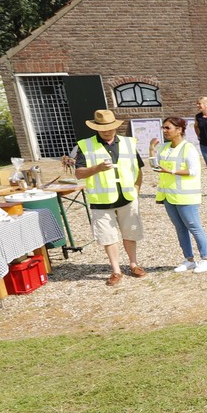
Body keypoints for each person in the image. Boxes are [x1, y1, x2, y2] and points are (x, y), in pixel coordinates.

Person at [66, 109, 146, 286]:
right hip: (101, 201)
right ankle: (116, 270)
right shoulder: (85, 145)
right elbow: (79, 173)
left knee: (130, 232)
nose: (106, 131)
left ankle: (134, 264)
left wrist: (136, 190)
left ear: (115, 126)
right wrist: (97, 168)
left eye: (109, 127)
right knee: (108, 236)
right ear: (96, 128)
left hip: (127, 197)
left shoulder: (128, 143)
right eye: (102, 128)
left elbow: (138, 169)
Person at [150, 115, 207, 273]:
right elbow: (155, 166)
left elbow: (193, 171)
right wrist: (151, 149)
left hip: (186, 196)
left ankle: (206, 259)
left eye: (168, 128)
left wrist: (170, 171)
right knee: (180, 228)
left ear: (179, 130)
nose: (164, 131)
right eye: (163, 128)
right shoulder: (164, 147)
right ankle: (189, 259)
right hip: (168, 196)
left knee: (194, 227)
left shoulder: (188, 148)